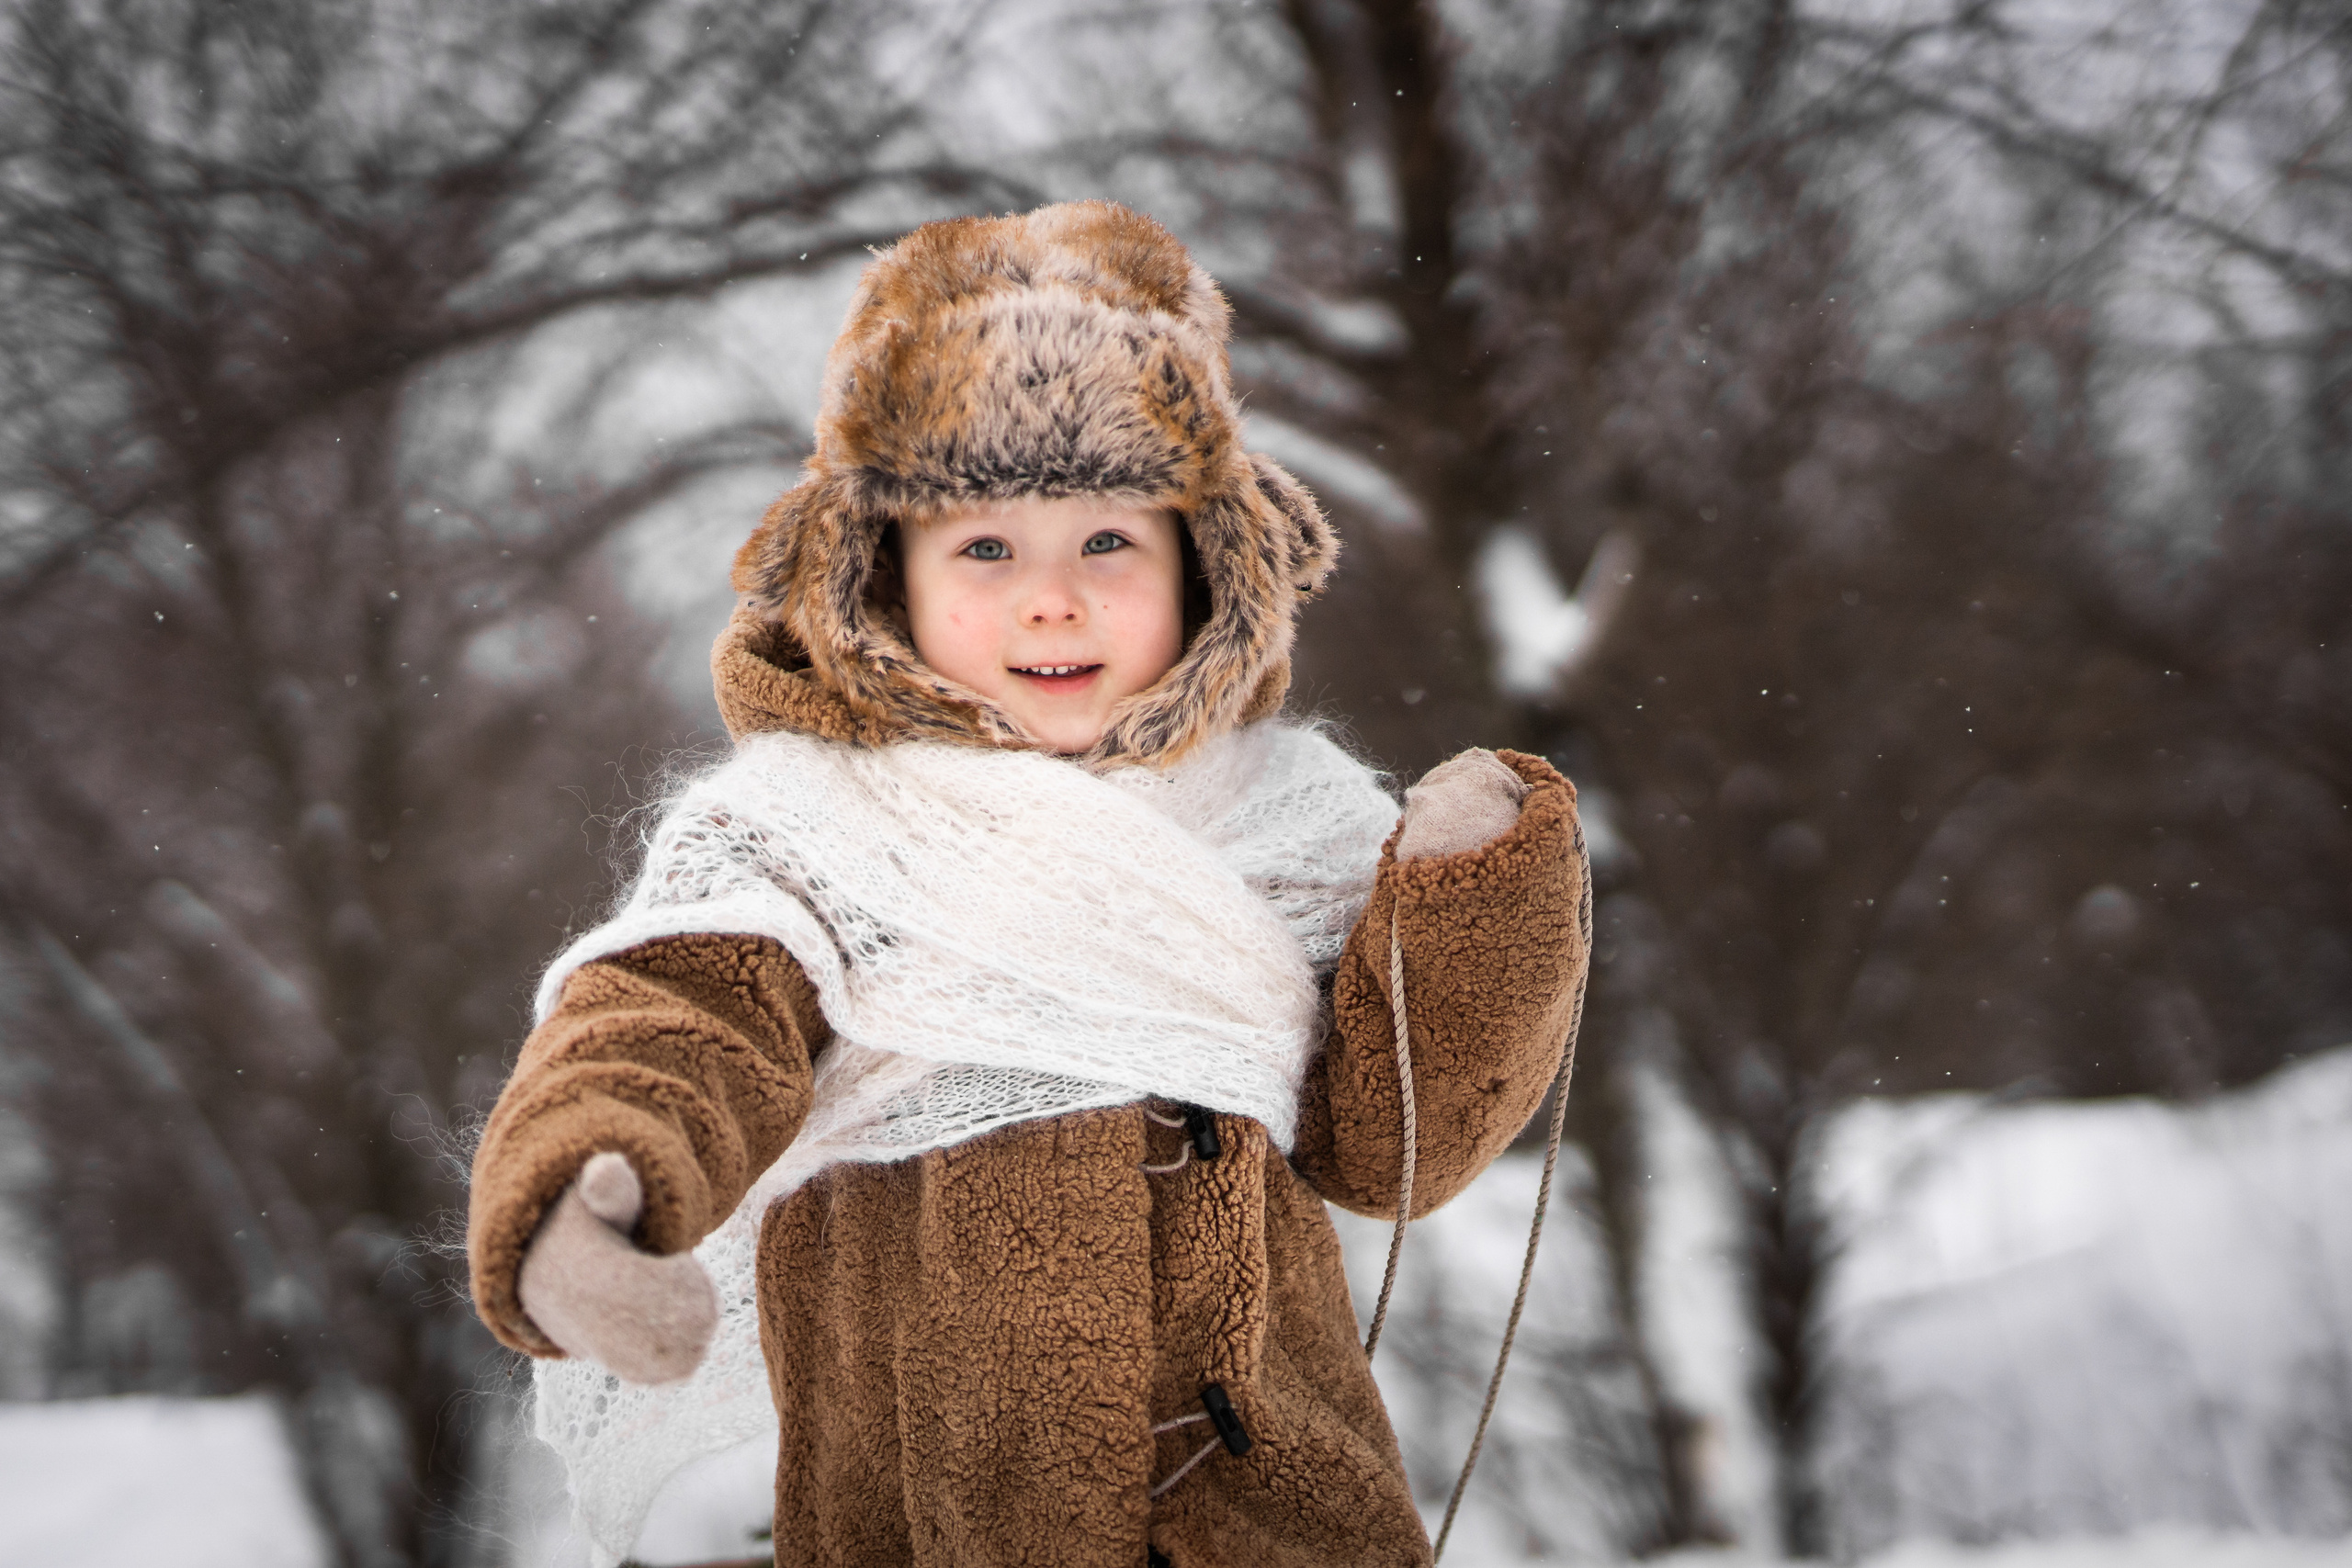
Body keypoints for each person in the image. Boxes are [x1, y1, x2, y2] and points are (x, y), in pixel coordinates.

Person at [466, 200, 1589, 1568]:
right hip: (935, 1517)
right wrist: (596, 1185)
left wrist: (1478, 898)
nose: (1050, 599)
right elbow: (678, 1020)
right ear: (879, 577)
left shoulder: (1291, 822)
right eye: (985, 548)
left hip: (1271, 1516)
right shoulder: (806, 830)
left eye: (1109, 543)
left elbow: (1390, 1144)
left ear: (1209, 570)